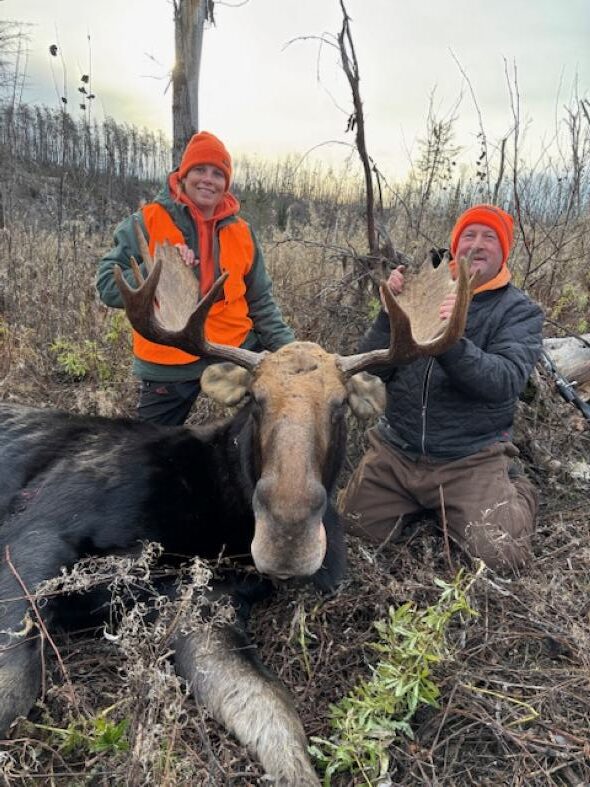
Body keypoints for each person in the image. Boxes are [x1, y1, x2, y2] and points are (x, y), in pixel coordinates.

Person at [340, 204, 544, 573]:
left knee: (501, 557)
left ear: (504, 251)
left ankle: (517, 487)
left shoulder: (518, 311)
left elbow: (504, 382)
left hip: (468, 459)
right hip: (396, 452)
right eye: (469, 235)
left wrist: (453, 337)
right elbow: (372, 372)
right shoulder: (423, 289)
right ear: (455, 244)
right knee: (350, 529)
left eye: (489, 237)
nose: (477, 245)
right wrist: (390, 314)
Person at [97, 131, 294, 425]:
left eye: (217, 173)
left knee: (274, 423)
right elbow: (107, 285)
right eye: (199, 170)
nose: (208, 179)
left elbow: (261, 301)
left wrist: (291, 352)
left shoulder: (242, 232)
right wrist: (158, 272)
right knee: (150, 450)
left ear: (226, 183)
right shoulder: (146, 221)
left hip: (235, 351)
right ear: (184, 174)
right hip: (169, 355)